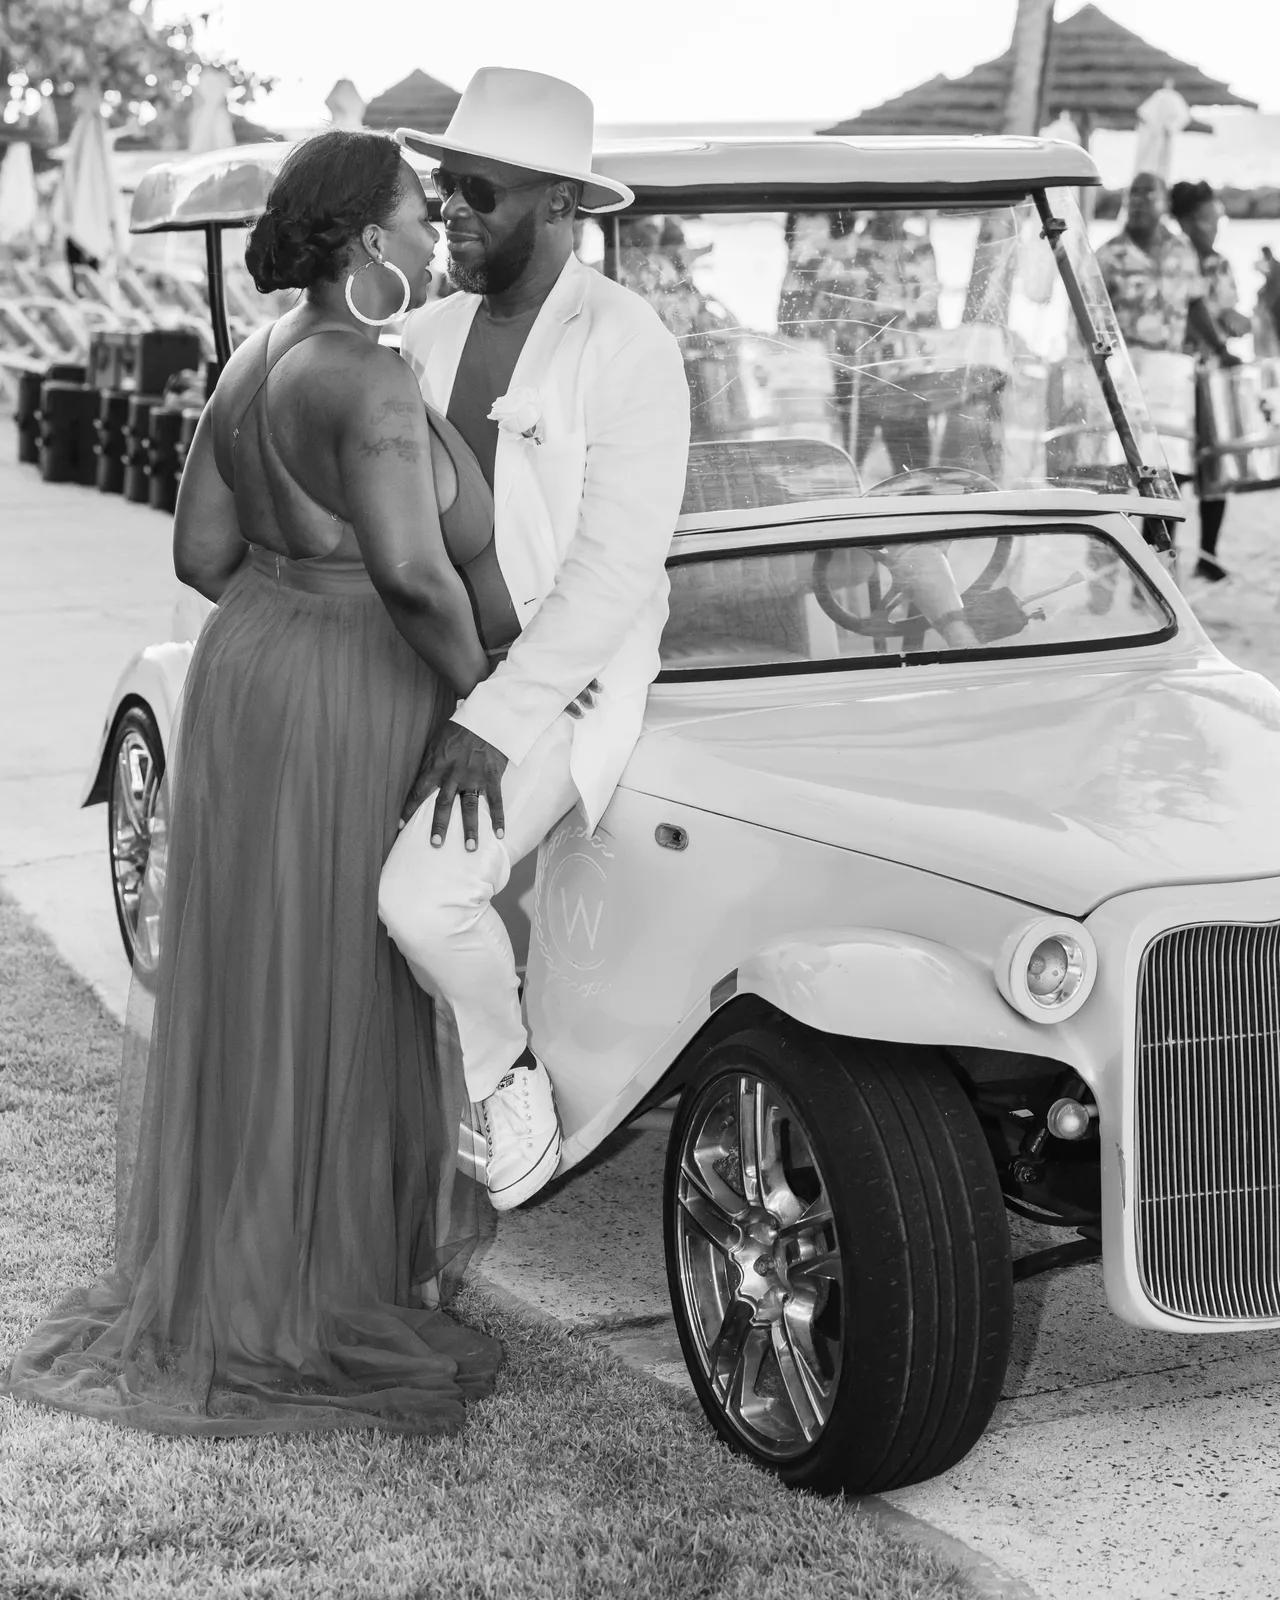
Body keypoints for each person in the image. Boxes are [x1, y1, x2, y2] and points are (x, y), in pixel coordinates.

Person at [2, 129, 504, 1435]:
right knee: (340, 974)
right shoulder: (373, 384)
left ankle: (259, 1263)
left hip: (254, 666)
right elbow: (412, 573)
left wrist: (295, 604)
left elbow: (202, 545)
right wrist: (489, 698)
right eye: (412, 210)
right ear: (365, 239)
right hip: (352, 680)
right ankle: (309, 1294)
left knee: (266, 974)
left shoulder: (249, 361)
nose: (428, 226)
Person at [379, 68, 691, 1212]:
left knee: (420, 897)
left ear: (559, 204)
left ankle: (505, 1075)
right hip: (423, 669)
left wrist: (490, 721)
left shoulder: (625, 344)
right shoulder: (424, 332)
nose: (450, 209)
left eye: (478, 191)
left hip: (554, 693)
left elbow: (611, 576)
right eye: (442, 187)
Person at [1096, 172, 1236, 582]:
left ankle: (1158, 570)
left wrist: (1223, 350)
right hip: (1124, 379)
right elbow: (1091, 321)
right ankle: (1104, 572)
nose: (1139, 200)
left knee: (1166, 477)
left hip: (1171, 378)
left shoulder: (1182, 253)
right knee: (1117, 476)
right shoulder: (1108, 256)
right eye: (1132, 193)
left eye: (1148, 193)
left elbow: (1196, 308)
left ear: (1162, 202)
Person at [1171, 179, 1249, 582]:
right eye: (1206, 219)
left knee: (1215, 466)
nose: (1214, 227)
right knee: (1173, 468)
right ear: (1185, 221)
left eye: (1217, 219)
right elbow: (1187, 312)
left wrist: (1236, 324)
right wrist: (1218, 339)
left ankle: (1208, 555)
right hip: (1177, 378)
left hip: (1213, 380)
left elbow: (1227, 314)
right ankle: (1162, 557)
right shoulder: (1170, 258)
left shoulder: (1220, 263)